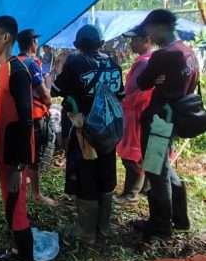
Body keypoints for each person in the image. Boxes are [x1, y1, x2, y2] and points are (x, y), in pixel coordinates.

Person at [51, 24, 124, 244]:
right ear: (101, 44)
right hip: (109, 132)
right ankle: (104, 227)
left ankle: (85, 231)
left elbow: (55, 90)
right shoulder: (113, 64)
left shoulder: (75, 62)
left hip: (84, 132)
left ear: (76, 46)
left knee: (86, 177)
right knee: (106, 174)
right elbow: (120, 94)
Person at [134, 9, 199, 240]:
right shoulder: (189, 53)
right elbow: (190, 88)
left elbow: (143, 82)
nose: (148, 35)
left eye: (149, 30)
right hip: (176, 118)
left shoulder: (164, 56)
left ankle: (160, 226)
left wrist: (157, 80)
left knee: (155, 172)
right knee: (165, 168)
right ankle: (180, 219)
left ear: (160, 26)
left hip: (159, 121)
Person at [0, 16, 35, 261]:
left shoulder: (17, 71)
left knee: (16, 211)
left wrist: (18, 165)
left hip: (13, 158)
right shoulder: (3, 69)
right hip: (4, 156)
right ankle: (17, 252)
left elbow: (25, 121)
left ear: (6, 38)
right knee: (9, 206)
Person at [17, 29, 56, 206]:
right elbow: (44, 94)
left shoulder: (15, 62)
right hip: (34, 115)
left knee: (24, 149)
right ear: (33, 43)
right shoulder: (31, 64)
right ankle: (37, 194)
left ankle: (24, 179)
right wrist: (48, 101)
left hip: (19, 115)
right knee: (34, 156)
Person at [114, 25, 153, 204]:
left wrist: (125, 101)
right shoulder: (143, 61)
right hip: (132, 112)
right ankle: (143, 188)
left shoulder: (146, 62)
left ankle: (131, 193)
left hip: (136, 113)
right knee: (135, 152)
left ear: (147, 41)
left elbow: (144, 92)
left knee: (132, 155)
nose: (131, 43)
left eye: (135, 40)